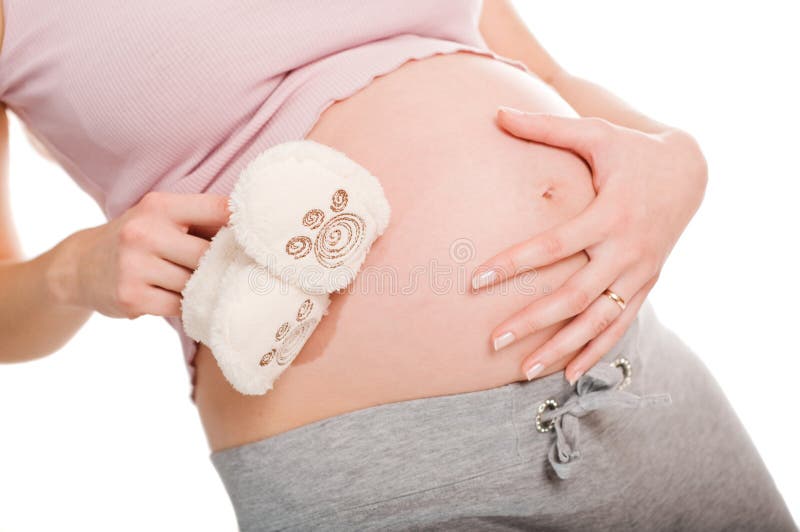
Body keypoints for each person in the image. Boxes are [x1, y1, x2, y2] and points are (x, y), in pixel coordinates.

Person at [0, 1, 795, 530]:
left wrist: (678, 162)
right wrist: (75, 271)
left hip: (631, 375)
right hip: (379, 470)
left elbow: (547, 77)